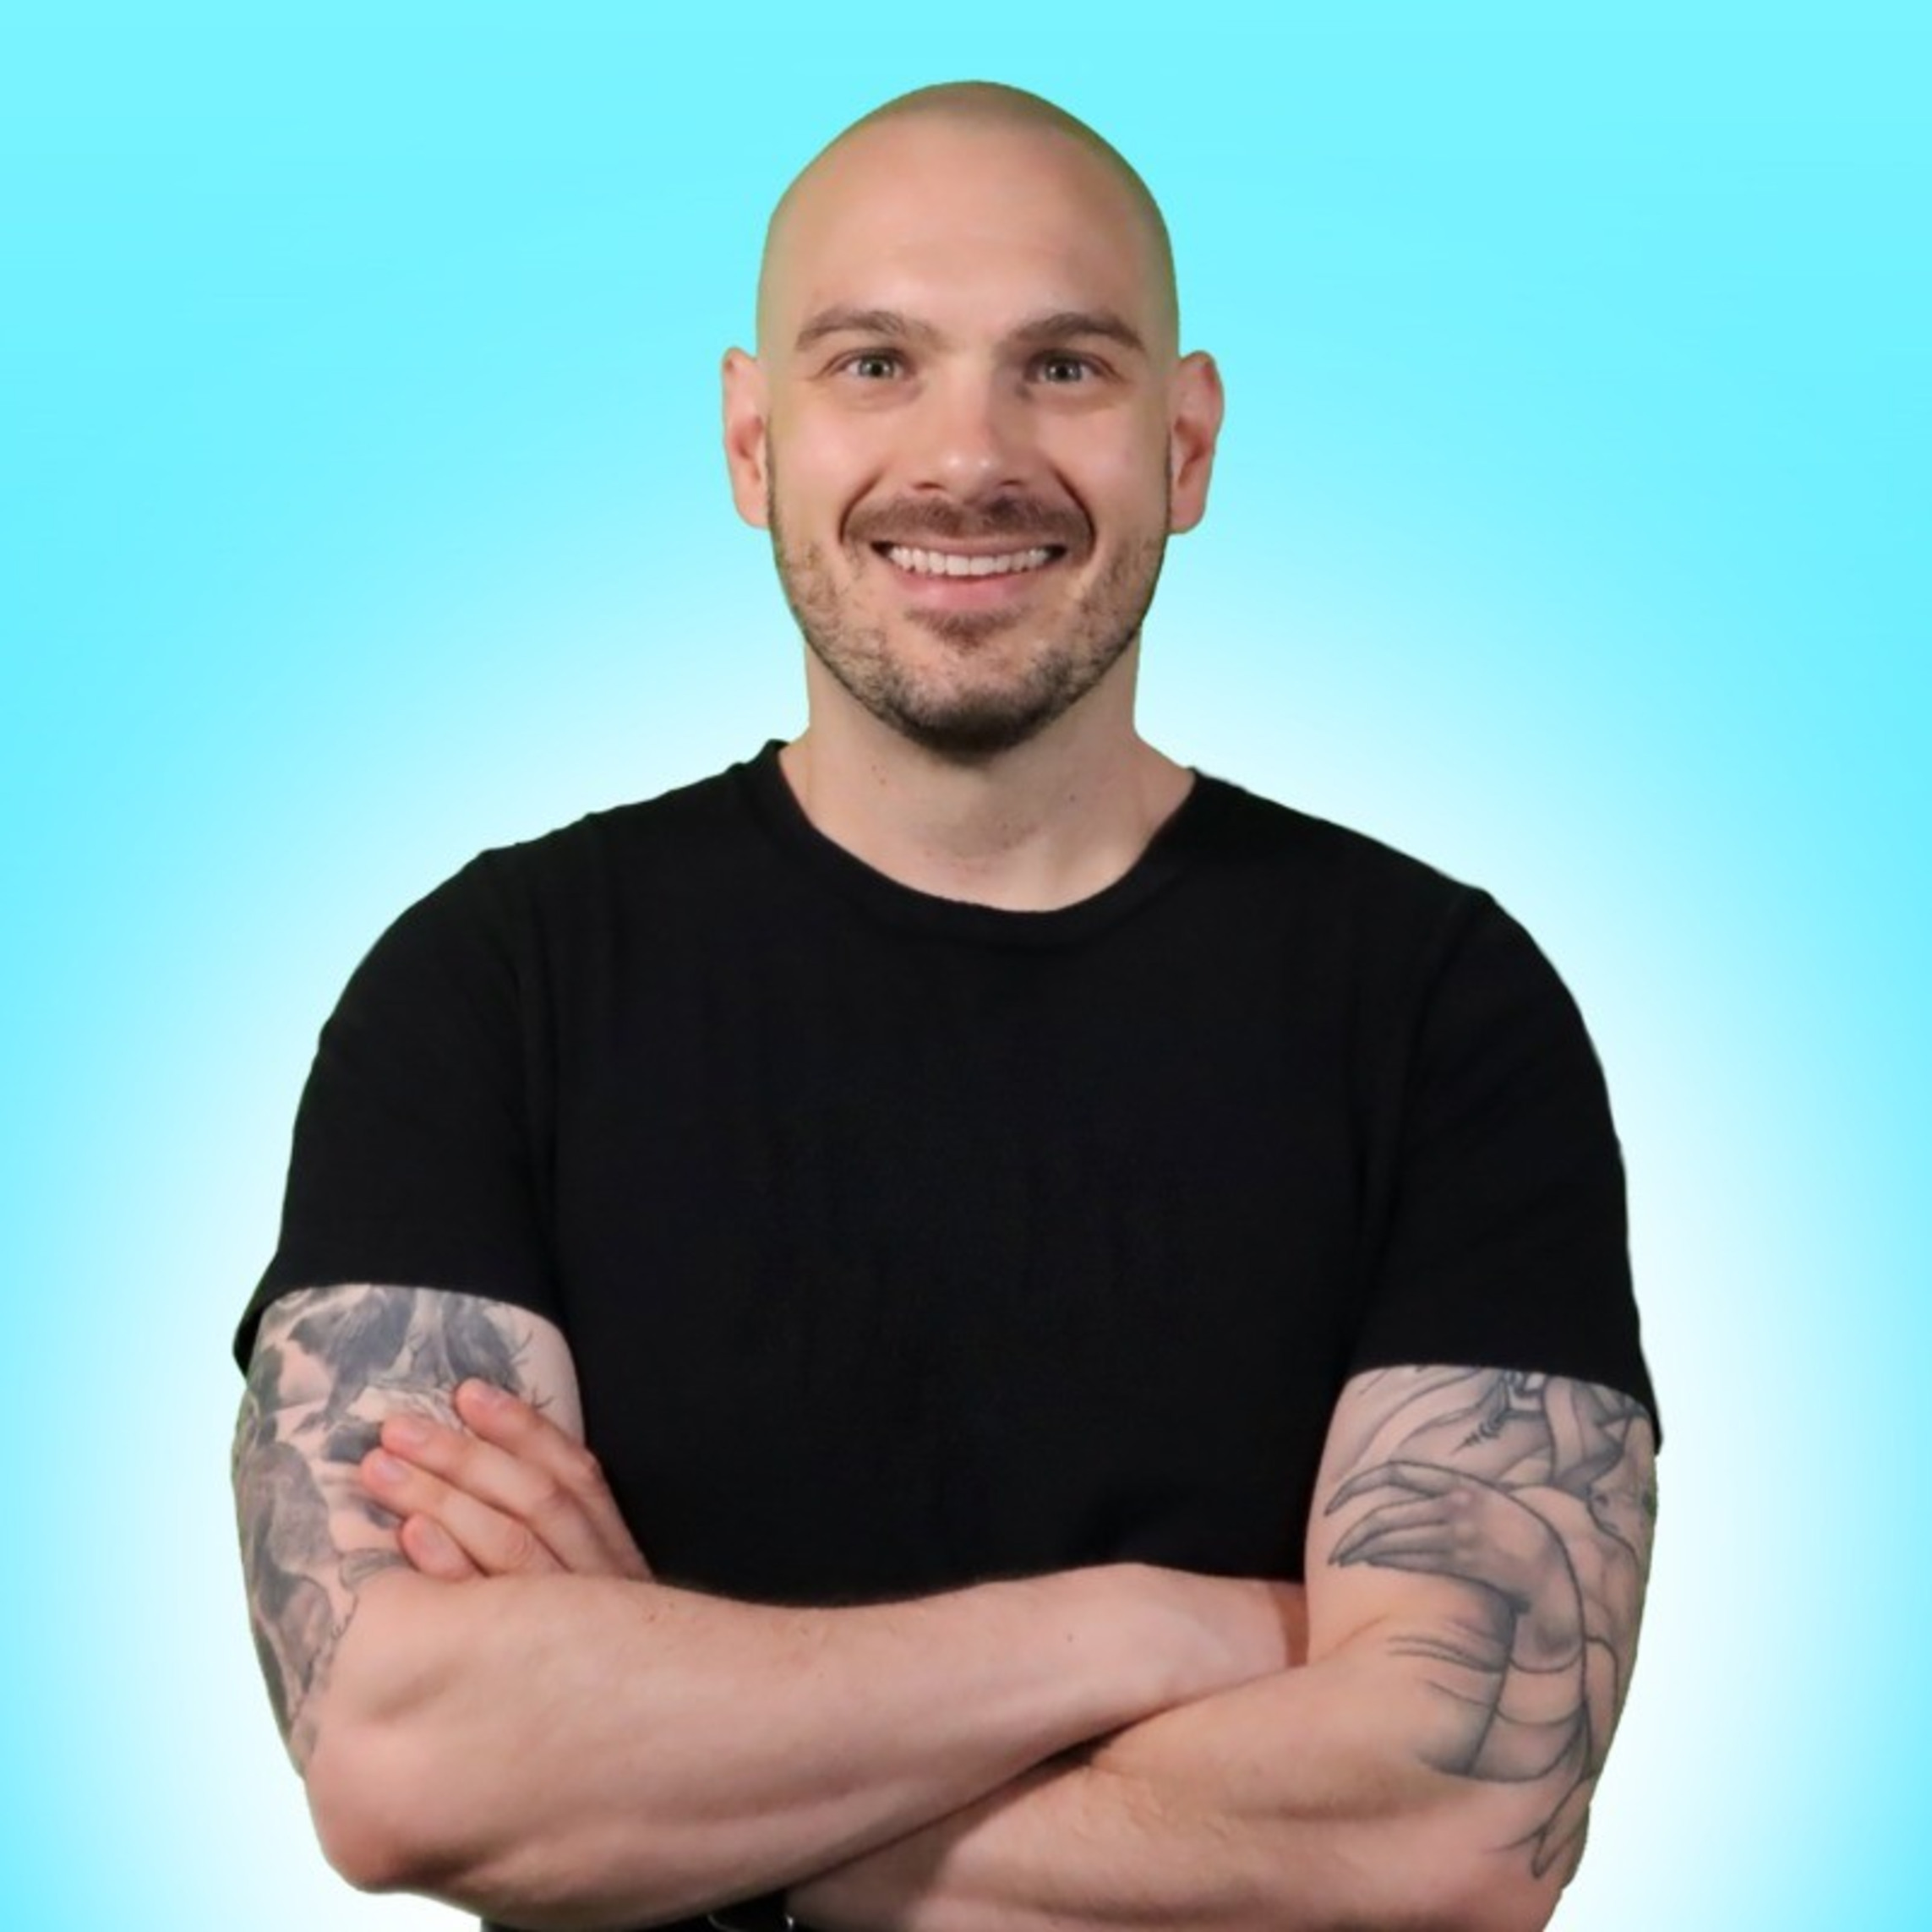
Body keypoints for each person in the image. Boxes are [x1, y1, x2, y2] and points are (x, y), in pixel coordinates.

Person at [232, 80, 1659, 1932]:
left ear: (1186, 444)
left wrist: (670, 1754)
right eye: (875, 364)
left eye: (1062, 367)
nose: (968, 455)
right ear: (752, 442)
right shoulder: (487, 991)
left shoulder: (1443, 1012)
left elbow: (1452, 1831)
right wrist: (1156, 1632)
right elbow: (409, 1763)